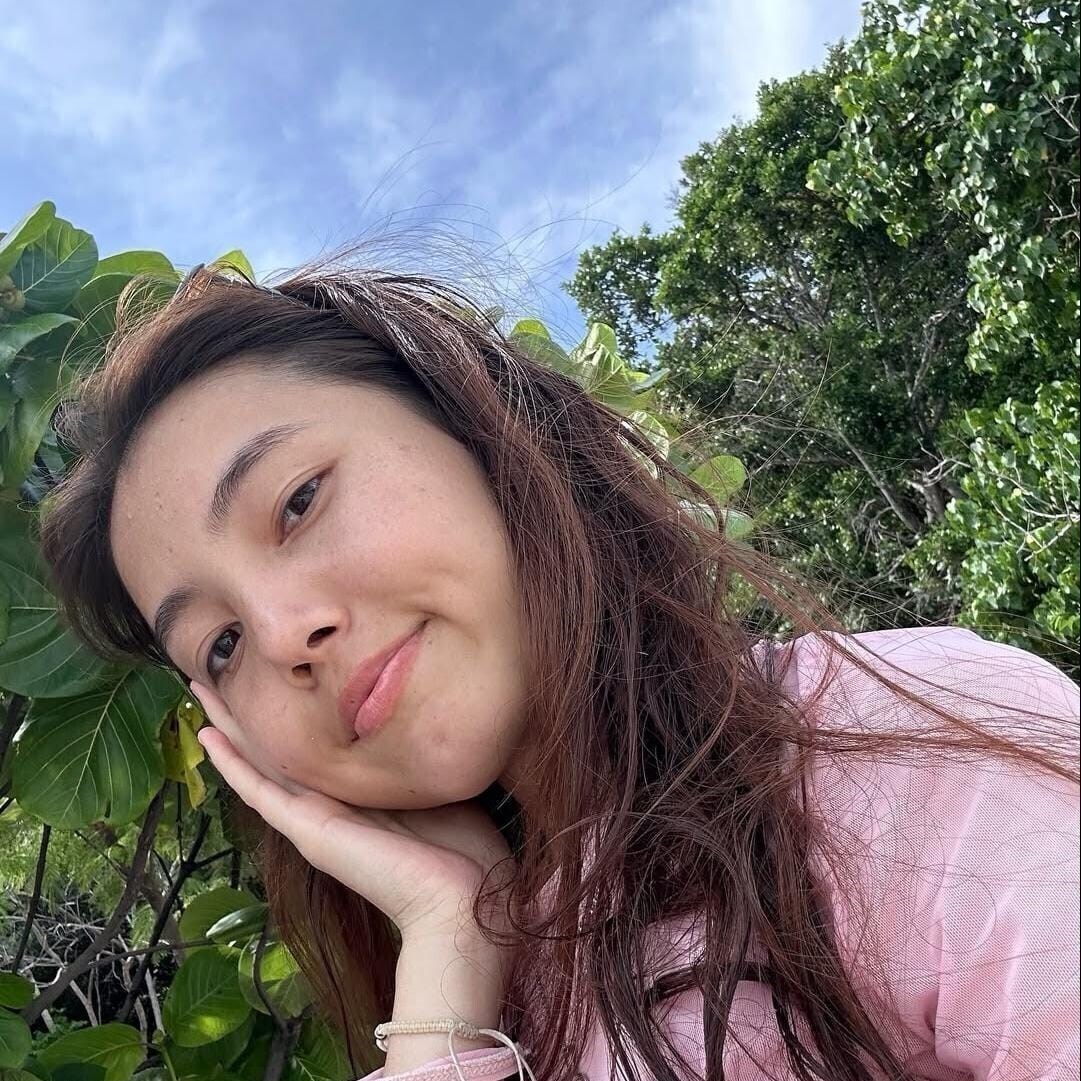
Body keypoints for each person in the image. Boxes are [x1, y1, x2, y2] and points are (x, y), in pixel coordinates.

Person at [39, 259, 1079, 1081]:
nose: (281, 634)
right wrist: (448, 956)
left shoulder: (901, 756)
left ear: (481, 429)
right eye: (219, 645)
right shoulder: (488, 960)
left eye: (299, 500)